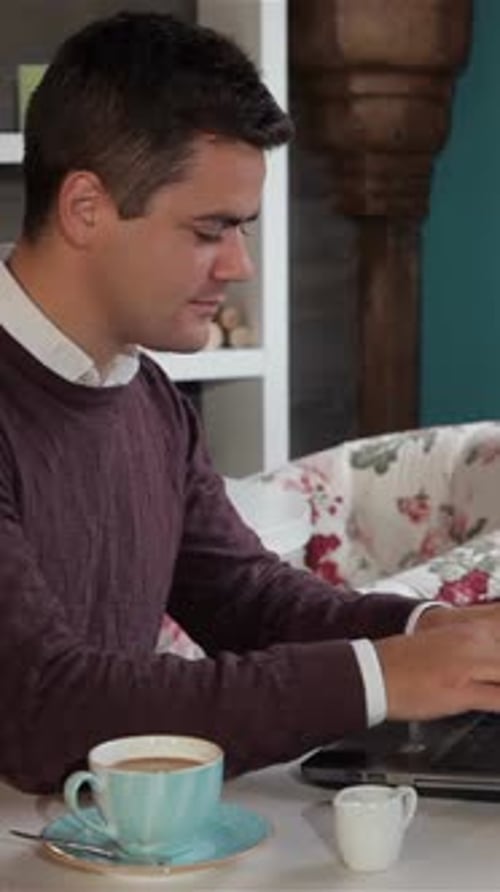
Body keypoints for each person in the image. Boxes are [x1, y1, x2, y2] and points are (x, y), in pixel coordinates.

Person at [2, 10, 500, 795]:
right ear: (85, 209)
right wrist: (382, 676)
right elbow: (42, 712)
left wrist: (429, 634)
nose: (239, 265)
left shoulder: (148, 399)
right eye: (211, 230)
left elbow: (245, 599)